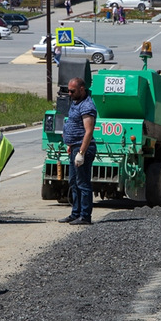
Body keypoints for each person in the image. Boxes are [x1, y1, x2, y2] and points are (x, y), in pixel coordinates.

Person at [60, 77, 97, 225]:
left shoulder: (87, 106)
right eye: (68, 90)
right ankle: (75, 213)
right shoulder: (76, 102)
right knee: (73, 182)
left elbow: (88, 131)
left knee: (83, 183)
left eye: (72, 91)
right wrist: (70, 144)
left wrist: (81, 152)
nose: (69, 93)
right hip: (75, 147)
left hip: (83, 149)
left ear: (82, 89)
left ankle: (85, 216)